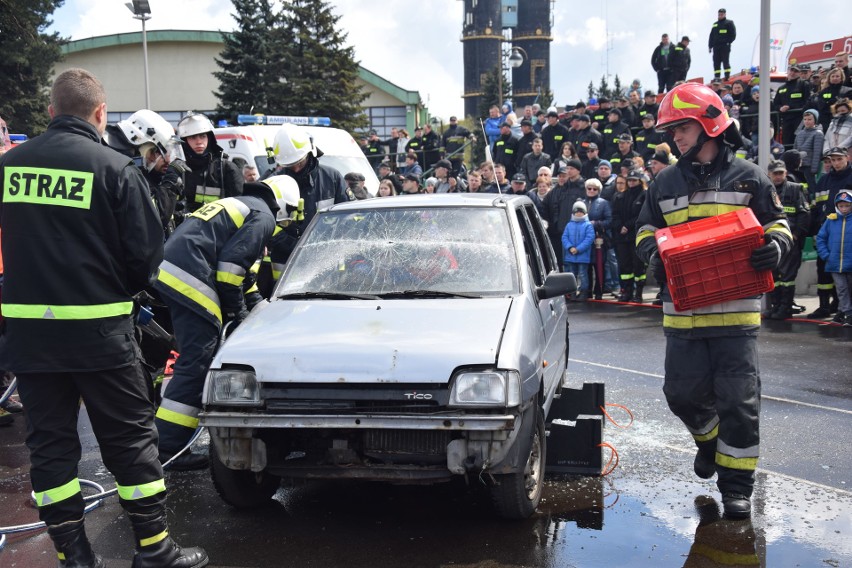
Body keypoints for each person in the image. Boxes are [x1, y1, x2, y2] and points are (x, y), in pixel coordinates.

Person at [0, 68, 208, 567]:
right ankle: (154, 550)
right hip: (100, 335)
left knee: (49, 447)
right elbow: (145, 259)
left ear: (50, 112)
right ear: (99, 114)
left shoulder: (10, 168)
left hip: (29, 338)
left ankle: (75, 557)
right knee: (129, 440)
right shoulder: (115, 168)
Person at [635, 82, 793, 519]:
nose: (676, 138)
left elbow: (778, 223)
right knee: (681, 396)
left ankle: (737, 488)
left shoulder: (750, 177)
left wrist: (776, 247)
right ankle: (708, 443)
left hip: (736, 317)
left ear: (709, 124)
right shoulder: (664, 182)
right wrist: (652, 254)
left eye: (682, 127)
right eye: (672, 130)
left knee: (739, 405)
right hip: (683, 316)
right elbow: (646, 230)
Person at [154, 176, 299, 470]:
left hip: (173, 269)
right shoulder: (264, 216)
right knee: (198, 359)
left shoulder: (246, 206)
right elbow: (229, 270)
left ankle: (164, 444)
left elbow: (241, 273)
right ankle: (167, 447)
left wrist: (257, 306)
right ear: (284, 204)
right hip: (191, 275)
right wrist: (236, 313)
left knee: (193, 356)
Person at [809, 146, 852, 319]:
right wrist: (814, 232)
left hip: (846, 236)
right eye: (832, 160)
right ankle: (825, 306)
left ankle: (843, 309)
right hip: (827, 235)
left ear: (847, 158)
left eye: (839, 159)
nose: (835, 163)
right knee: (824, 271)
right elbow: (816, 209)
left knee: (846, 278)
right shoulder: (824, 181)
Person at [764, 160, 810, 320]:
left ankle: (786, 307)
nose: (778, 176)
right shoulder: (766, 189)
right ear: (769, 174)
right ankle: (776, 306)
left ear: (785, 173)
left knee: (788, 277)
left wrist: (796, 234)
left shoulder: (796, 189)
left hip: (791, 241)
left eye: (780, 173)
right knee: (774, 275)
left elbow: (804, 214)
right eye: (775, 173)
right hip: (772, 240)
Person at [177, 112, 243, 213]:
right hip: (188, 227)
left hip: (220, 226)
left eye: (202, 136)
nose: (199, 141)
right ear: (185, 141)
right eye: (193, 137)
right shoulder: (179, 169)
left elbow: (241, 206)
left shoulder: (226, 168)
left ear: (209, 138)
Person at [816, 190, 852, 326]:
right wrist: (826, 255)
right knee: (842, 289)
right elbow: (821, 238)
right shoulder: (831, 220)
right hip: (835, 263)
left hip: (850, 263)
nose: (844, 209)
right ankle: (848, 313)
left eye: (847, 206)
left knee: (849, 289)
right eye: (841, 206)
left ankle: (842, 311)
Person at [612, 170, 648, 302]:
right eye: (630, 180)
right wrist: (619, 226)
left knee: (639, 266)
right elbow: (614, 215)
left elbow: (642, 215)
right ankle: (627, 292)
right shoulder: (620, 196)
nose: (632, 182)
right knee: (625, 266)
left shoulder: (644, 195)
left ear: (640, 181)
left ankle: (638, 293)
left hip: (636, 235)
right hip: (622, 238)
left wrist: (627, 225)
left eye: (634, 180)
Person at [561, 201, 595, 301]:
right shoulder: (569, 225)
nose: (579, 213)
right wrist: (570, 247)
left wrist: (578, 249)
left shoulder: (588, 225)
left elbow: (589, 239)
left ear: (585, 212)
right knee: (572, 274)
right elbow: (564, 237)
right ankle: (572, 292)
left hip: (582, 256)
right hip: (571, 255)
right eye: (577, 211)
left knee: (583, 274)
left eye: (581, 211)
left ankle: (584, 292)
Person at [773, 65, 812, 148]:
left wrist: (790, 107)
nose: (792, 73)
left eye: (796, 71)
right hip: (786, 120)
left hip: (799, 119)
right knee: (786, 143)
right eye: (791, 70)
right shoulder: (781, 88)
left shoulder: (804, 84)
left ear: (800, 73)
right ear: (788, 71)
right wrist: (780, 108)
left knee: (799, 143)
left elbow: (808, 102)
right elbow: (775, 104)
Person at [793, 109, 825, 191]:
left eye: (810, 119)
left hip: (809, 166)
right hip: (799, 166)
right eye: (805, 119)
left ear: (815, 120)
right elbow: (795, 150)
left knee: (812, 187)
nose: (807, 121)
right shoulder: (799, 133)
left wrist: (814, 169)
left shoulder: (818, 133)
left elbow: (817, 153)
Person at [708, 8, 736, 80]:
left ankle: (727, 76)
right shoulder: (715, 24)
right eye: (719, 14)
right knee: (716, 62)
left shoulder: (729, 23)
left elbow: (733, 34)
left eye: (722, 14)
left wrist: (728, 42)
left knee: (725, 61)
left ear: (725, 14)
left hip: (724, 46)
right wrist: (710, 46)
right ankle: (717, 76)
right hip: (716, 47)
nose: (720, 15)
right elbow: (711, 36)